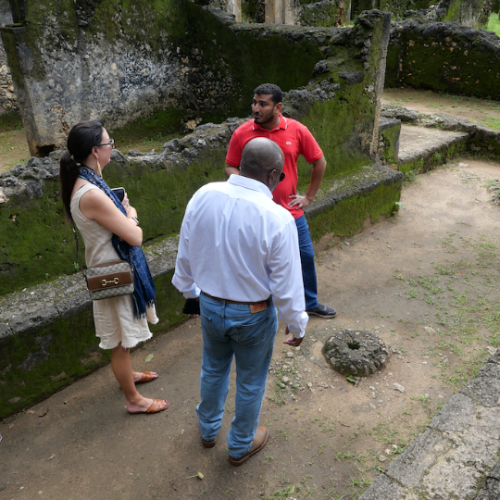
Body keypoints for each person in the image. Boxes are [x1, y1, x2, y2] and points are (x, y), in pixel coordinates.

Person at [172, 138, 308, 466]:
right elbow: (287, 286)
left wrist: (192, 296)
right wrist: (296, 323)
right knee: (250, 380)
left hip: (210, 305)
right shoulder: (277, 218)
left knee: (213, 368)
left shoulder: (203, 195)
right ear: (273, 175)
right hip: (253, 314)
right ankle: (240, 445)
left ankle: (207, 430)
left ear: (242, 163)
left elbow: (185, 254)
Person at [59, 120, 168, 415]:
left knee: (123, 334)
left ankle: (129, 374)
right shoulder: (91, 193)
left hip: (110, 266)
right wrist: (130, 213)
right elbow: (134, 236)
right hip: (113, 273)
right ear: (96, 151)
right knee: (120, 342)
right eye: (109, 143)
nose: (111, 148)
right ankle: (134, 400)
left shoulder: (89, 182)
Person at [225, 83, 336, 318]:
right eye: (254, 102)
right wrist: (248, 188)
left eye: (263, 104)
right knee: (255, 262)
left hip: (289, 213)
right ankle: (257, 307)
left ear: (278, 107)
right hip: (253, 214)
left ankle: (309, 302)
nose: (256, 108)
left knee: (304, 257)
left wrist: (309, 197)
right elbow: (230, 166)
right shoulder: (242, 133)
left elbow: (319, 162)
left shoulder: (296, 130)